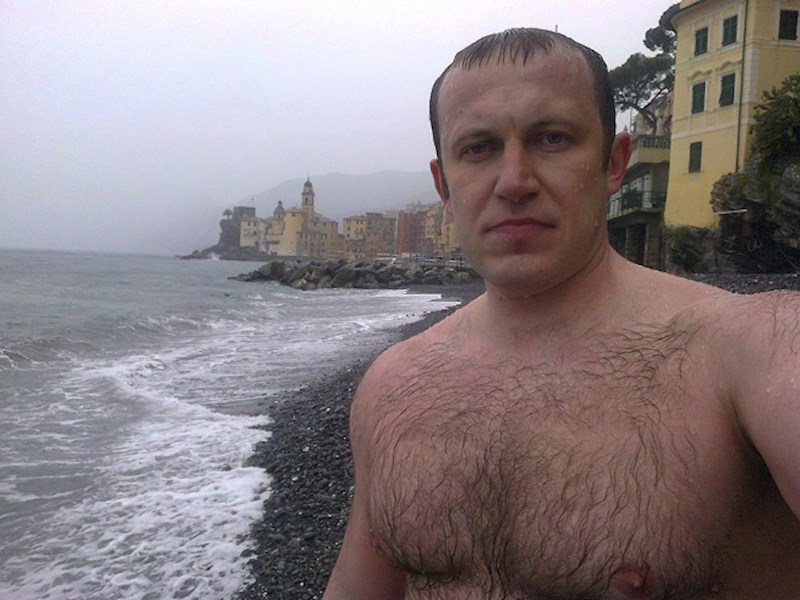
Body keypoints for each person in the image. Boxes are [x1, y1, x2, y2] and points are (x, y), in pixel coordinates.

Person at [323, 28, 800, 599]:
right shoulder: (391, 389)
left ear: (613, 164)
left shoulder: (750, 351)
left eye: (552, 138)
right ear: (443, 185)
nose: (514, 182)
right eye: (478, 148)